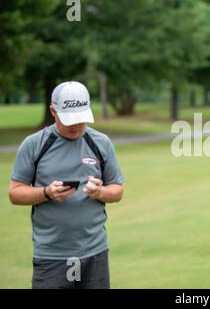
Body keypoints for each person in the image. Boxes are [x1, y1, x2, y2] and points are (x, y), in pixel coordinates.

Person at [8, 81, 124, 289]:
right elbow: (15, 194)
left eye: (81, 119)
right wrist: (46, 192)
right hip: (52, 256)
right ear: (53, 111)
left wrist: (100, 192)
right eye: (70, 119)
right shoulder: (34, 144)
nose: (77, 126)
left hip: (94, 253)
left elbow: (117, 190)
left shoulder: (101, 143)